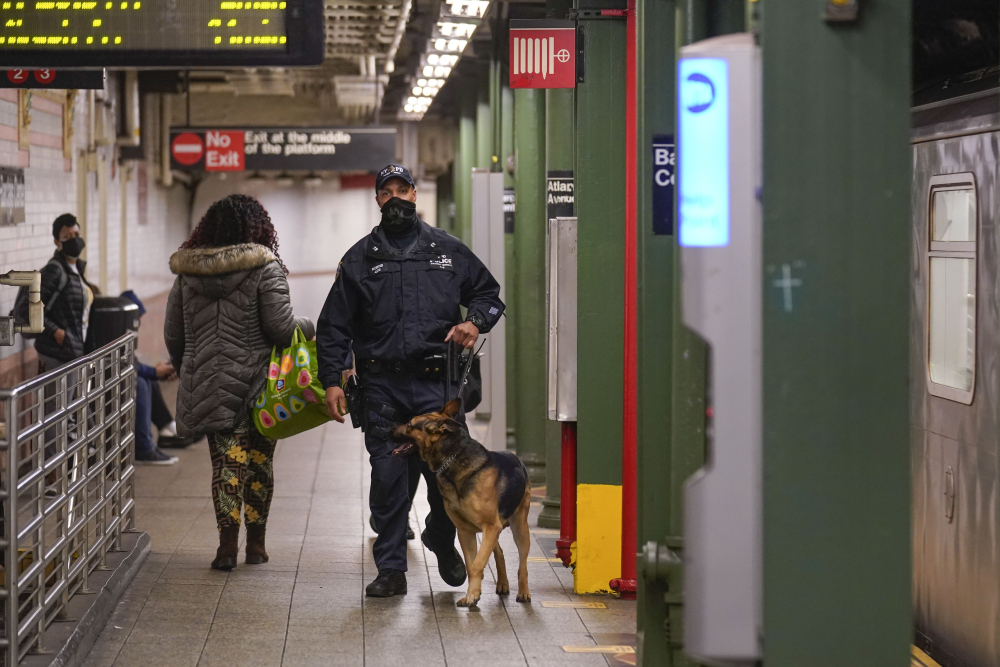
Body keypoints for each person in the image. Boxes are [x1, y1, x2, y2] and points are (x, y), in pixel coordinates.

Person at [317, 163, 505, 598]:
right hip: (382, 387)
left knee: (448, 475)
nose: (396, 197)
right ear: (378, 200)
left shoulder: (447, 250)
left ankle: (440, 535)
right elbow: (333, 327)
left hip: (437, 386)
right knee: (387, 477)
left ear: (415, 195)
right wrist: (331, 380)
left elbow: (488, 295)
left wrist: (474, 323)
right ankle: (391, 569)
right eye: (388, 192)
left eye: (404, 190)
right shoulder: (360, 259)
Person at [164, 195, 314, 571]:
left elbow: (173, 336)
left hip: (210, 385)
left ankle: (226, 547)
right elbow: (282, 329)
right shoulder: (266, 269)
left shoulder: (187, 276)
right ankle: (257, 546)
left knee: (226, 465)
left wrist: (192, 370)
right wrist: (313, 326)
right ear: (258, 228)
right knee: (259, 464)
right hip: (259, 386)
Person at [120, 290, 193, 464]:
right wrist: (154, 372)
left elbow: (132, 362)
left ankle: (168, 429)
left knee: (147, 380)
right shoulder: (116, 330)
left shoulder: (124, 332)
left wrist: (158, 373)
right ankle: (145, 447)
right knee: (141, 382)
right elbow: (126, 365)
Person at [36, 214, 96, 373]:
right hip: (57, 354)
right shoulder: (54, 271)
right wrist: (57, 332)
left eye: (76, 235)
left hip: (73, 351)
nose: (74, 240)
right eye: (67, 237)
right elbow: (32, 309)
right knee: (58, 398)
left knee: (71, 398)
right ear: (57, 242)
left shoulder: (77, 269)